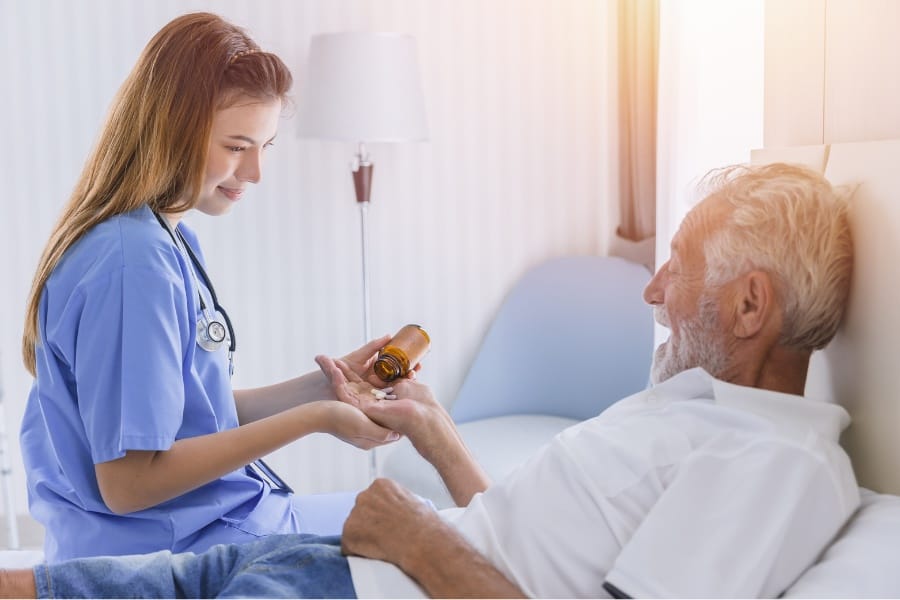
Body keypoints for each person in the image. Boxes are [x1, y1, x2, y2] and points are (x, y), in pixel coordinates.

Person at [6, 162, 859, 598]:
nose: (652, 289)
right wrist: (440, 440)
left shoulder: (776, 464)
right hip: (326, 564)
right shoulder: (695, 413)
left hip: (359, 582)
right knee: (87, 585)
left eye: (677, 266)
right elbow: (525, 546)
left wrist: (415, 535)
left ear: (751, 306)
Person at [19, 12, 408, 563]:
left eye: (266, 146)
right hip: (168, 551)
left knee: (407, 514)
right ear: (170, 130)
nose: (254, 173)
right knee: (417, 537)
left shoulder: (165, 239)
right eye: (236, 146)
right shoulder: (134, 267)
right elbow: (128, 484)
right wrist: (316, 420)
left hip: (205, 522)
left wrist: (324, 388)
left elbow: (185, 413)